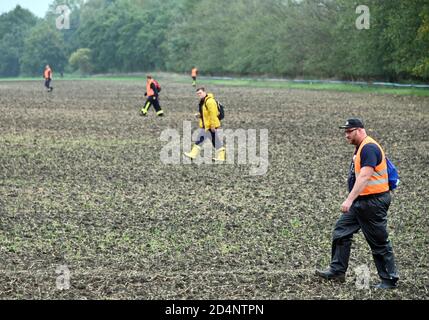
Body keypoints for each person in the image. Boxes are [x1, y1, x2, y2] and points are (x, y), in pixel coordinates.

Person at [316, 118, 399, 289]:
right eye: (345, 131)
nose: (346, 135)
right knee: (341, 230)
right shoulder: (361, 147)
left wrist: (349, 199)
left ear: (360, 130)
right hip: (363, 202)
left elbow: (365, 176)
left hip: (372, 202)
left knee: (378, 241)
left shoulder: (369, 147)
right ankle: (337, 270)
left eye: (349, 131)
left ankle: (389, 280)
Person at [184, 87, 225, 161]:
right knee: (214, 140)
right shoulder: (203, 101)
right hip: (207, 125)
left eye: (200, 93)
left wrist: (212, 126)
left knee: (201, 139)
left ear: (204, 92)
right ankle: (221, 156)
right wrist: (200, 115)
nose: (199, 95)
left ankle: (193, 154)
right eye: (197, 94)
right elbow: (206, 113)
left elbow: (213, 114)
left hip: (210, 125)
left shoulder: (210, 101)